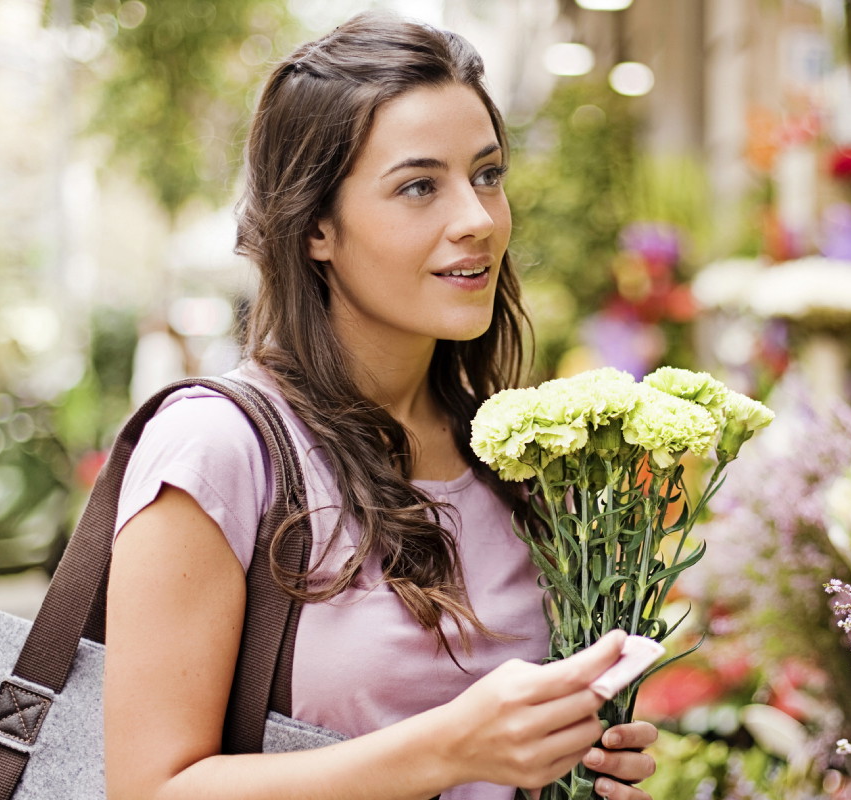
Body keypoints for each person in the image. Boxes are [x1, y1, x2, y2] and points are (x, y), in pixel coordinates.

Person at [103, 11, 659, 800]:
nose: (477, 219)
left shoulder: (514, 457)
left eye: (487, 175)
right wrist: (449, 750)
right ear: (316, 228)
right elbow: (149, 790)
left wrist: (582, 757)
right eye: (419, 186)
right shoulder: (218, 449)